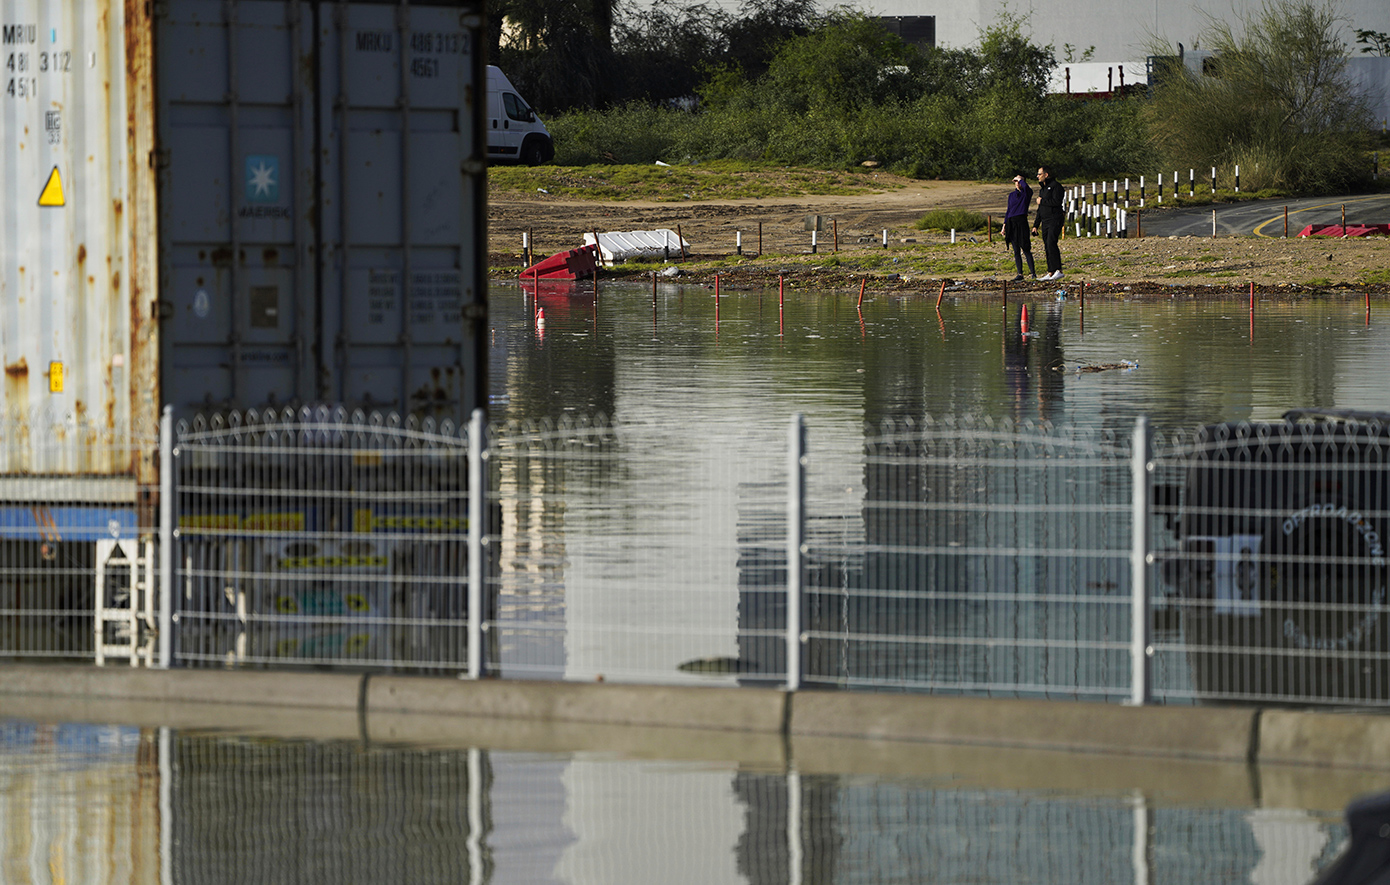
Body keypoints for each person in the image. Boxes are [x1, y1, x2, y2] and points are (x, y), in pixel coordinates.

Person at [1000, 174, 1036, 281]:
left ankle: (1033, 273)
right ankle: (1020, 273)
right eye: (1016, 181)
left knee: (1025, 248)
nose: (1017, 183)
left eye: (1019, 181)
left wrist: (1022, 180)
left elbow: (1028, 190)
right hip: (1012, 222)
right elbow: (1008, 210)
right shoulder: (1012, 195)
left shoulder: (1026, 194)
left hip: (1021, 221)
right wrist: (1004, 225)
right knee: (1016, 249)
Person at [1032, 166, 1064, 281]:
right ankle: (1051, 272)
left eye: (1039, 174)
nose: (1037, 176)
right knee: (1047, 245)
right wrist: (1036, 225)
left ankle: (1058, 270)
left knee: (1051, 243)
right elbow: (1040, 209)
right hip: (1045, 221)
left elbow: (1057, 201)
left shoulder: (1056, 186)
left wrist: (1043, 201)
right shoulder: (1043, 189)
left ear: (1046, 174)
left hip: (1055, 219)